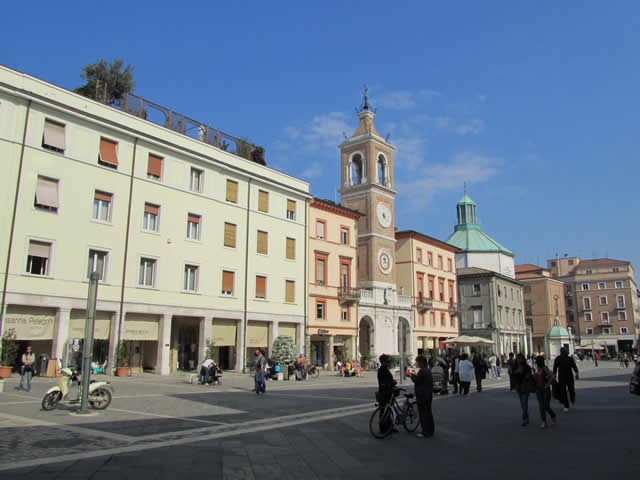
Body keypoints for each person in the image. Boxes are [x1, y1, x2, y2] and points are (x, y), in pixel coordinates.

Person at [410, 355, 434, 438]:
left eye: (417, 362)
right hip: (427, 394)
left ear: (421, 362)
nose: (417, 364)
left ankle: (425, 431)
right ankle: (430, 430)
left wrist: (412, 375)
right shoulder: (427, 370)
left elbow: (416, 380)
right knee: (428, 413)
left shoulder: (423, 371)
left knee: (424, 414)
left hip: (422, 395)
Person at [553, 347, 579, 412]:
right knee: (564, 391)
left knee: (570, 390)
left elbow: (574, 366)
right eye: (562, 351)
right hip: (562, 377)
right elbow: (555, 368)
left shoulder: (569, 359)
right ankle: (566, 405)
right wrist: (554, 375)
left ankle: (571, 401)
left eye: (563, 351)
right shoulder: (558, 359)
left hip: (568, 377)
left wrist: (576, 373)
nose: (563, 353)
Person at [534, 356, 556, 428]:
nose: (536, 363)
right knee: (541, 406)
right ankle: (544, 421)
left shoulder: (545, 369)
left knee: (546, 406)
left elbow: (552, 377)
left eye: (537, 361)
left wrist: (547, 385)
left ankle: (553, 415)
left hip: (545, 390)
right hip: (538, 390)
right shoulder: (537, 369)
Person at [377, 354, 397, 432]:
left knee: (387, 411)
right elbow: (386, 382)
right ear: (384, 362)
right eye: (388, 361)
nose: (389, 362)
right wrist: (393, 383)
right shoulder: (383, 370)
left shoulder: (383, 369)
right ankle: (384, 428)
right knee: (385, 411)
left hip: (385, 392)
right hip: (385, 393)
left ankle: (389, 427)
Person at [512, 353, 533, 426]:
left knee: (524, 402)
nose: (519, 360)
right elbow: (512, 375)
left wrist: (527, 376)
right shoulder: (515, 367)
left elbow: (530, 375)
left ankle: (524, 418)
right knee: (522, 403)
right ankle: (526, 417)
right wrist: (516, 372)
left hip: (525, 386)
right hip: (518, 386)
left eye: (521, 359)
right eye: (518, 359)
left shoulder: (527, 367)